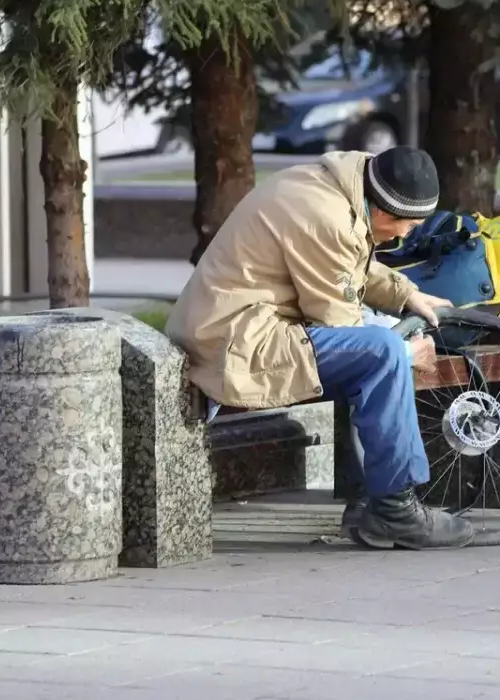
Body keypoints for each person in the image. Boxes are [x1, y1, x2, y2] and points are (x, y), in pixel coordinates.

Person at [165, 146, 474, 550]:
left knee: (376, 349)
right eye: (409, 226)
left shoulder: (343, 185)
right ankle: (395, 509)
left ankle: (370, 499)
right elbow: (341, 320)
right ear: (384, 214)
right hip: (234, 345)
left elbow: (346, 266)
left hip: (241, 327)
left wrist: (405, 294)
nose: (407, 235)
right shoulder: (326, 216)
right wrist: (405, 354)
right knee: (380, 353)